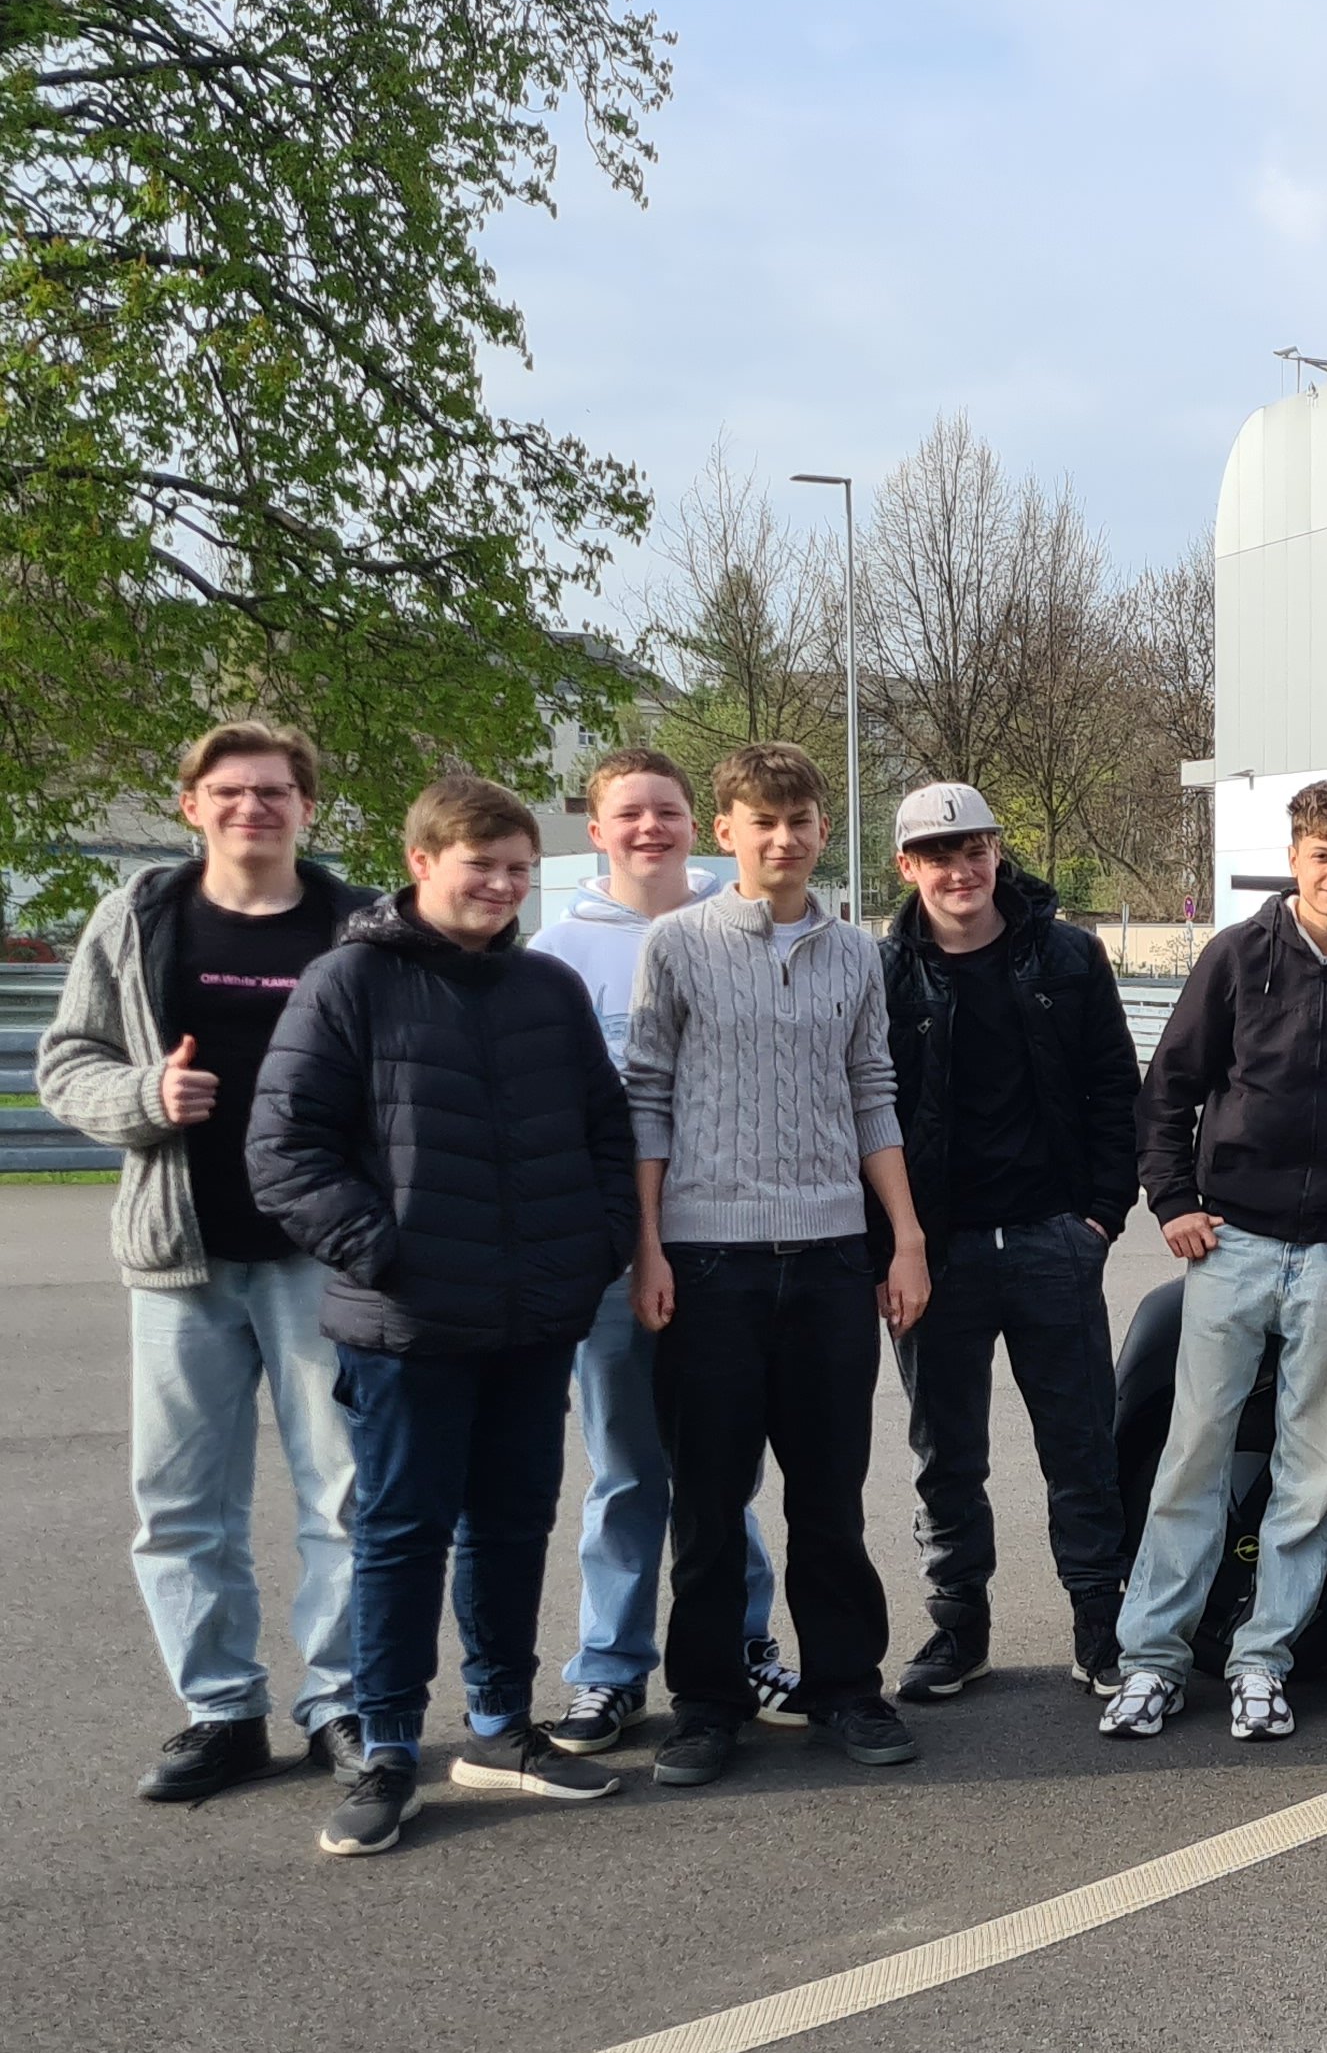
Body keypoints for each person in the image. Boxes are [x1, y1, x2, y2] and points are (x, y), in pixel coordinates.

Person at [250, 777, 642, 1854]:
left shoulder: (548, 987)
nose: (503, 886)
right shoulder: (348, 982)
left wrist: (593, 1249)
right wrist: (386, 1255)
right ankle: (387, 1747)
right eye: (483, 865)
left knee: (512, 1526)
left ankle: (502, 1728)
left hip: (533, 1317)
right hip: (407, 1326)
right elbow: (283, 1150)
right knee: (400, 1533)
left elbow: (607, 1133)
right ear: (422, 862)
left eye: (519, 868)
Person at [39, 722, 373, 1801]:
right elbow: (67, 1061)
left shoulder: (360, 926)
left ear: (307, 807)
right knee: (181, 1501)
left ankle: (342, 1704)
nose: (251, 808)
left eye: (273, 791)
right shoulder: (138, 918)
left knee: (345, 1496)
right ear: (191, 806)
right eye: (228, 791)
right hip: (182, 1252)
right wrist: (147, 1095)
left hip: (323, 1255)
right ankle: (222, 1712)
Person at [626, 741, 931, 1786]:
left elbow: (873, 1091)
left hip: (833, 1256)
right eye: (763, 822)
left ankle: (845, 1686)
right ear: (727, 833)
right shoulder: (675, 945)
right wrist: (649, 1245)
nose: (785, 839)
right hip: (708, 1259)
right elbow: (647, 1095)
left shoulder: (855, 956)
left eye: (800, 821)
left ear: (822, 829)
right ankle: (707, 1704)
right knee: (710, 1502)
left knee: (831, 1497)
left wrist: (904, 1237)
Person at [1106, 777, 1327, 1743]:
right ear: (1293, 858)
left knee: (1313, 1472)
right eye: (1322, 856)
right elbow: (1168, 1090)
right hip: (1231, 1244)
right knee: (1193, 1457)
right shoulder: (1237, 954)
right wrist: (1173, 1203)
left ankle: (1262, 1662)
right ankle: (1151, 1661)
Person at [531, 746, 796, 1755]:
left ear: (700, 824)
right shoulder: (558, 951)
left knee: (721, 1469)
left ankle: (742, 1643)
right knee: (628, 1469)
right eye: (630, 813)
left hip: (727, 1242)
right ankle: (609, 1669)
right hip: (612, 1250)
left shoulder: (747, 924)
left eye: (667, 811)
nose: (650, 828)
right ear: (597, 830)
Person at [876, 781, 1142, 1703]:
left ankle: (1099, 1623)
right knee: (946, 1455)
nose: (961, 870)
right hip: (936, 1254)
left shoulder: (1067, 955)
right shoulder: (884, 973)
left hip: (1051, 1240)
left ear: (996, 853)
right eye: (938, 855)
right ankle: (960, 1627)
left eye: (975, 849)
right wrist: (896, 1244)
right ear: (907, 867)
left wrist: (1100, 1216)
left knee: (1081, 1448)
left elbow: (1114, 1088)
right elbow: (867, 1114)